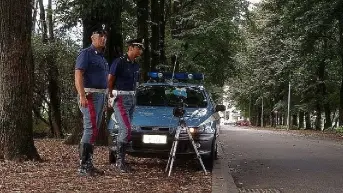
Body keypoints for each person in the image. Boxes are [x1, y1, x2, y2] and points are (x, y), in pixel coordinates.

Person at [74, 23, 108, 176]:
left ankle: (89, 163)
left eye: (104, 36)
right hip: (89, 96)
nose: (103, 38)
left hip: (101, 96)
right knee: (90, 128)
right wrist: (81, 95)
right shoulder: (86, 53)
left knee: (94, 129)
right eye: (100, 36)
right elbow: (78, 74)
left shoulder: (101, 57)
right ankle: (83, 165)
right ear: (92, 38)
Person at [108, 38, 144, 173]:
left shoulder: (136, 65)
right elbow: (110, 80)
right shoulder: (119, 62)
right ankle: (119, 163)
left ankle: (121, 160)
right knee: (126, 129)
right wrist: (110, 96)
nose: (140, 50)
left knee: (126, 129)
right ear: (131, 47)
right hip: (121, 98)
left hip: (132, 97)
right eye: (138, 48)